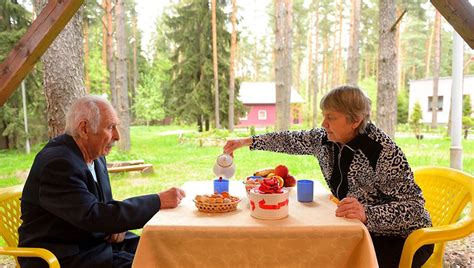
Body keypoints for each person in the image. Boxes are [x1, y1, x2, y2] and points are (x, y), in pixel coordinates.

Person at [224, 85, 433, 268]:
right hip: (357, 230)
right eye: (324, 115)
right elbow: (288, 140)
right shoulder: (324, 139)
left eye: (331, 117)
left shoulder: (383, 151)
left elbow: (415, 208)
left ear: (355, 120)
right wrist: (247, 141)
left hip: (400, 238)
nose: (324, 123)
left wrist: (367, 214)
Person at [18, 95, 186, 268]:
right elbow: (93, 215)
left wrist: (115, 225)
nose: (117, 136)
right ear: (84, 128)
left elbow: (103, 208)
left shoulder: (96, 156)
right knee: (154, 263)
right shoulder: (58, 163)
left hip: (96, 241)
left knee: (164, 250)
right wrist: (157, 201)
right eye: (110, 127)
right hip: (65, 255)